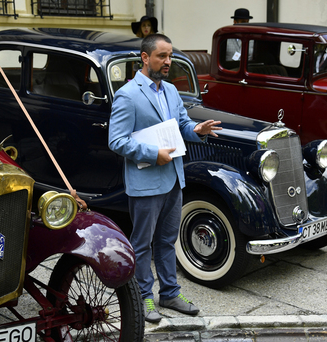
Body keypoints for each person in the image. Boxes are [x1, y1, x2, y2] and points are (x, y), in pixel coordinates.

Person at [108, 34, 221, 323]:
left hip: (173, 178)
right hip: (146, 182)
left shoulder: (171, 90)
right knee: (142, 243)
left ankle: (170, 293)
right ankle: (144, 297)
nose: (168, 61)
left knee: (168, 241)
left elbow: (181, 124)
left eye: (169, 56)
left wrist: (197, 129)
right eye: (162, 56)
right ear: (145, 58)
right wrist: (151, 153)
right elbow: (116, 141)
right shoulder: (128, 95)